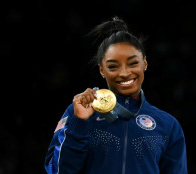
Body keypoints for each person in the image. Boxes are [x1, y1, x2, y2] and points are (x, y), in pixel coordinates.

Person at [44, 16, 188, 174]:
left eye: (133, 63)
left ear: (145, 63)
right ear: (101, 70)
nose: (125, 73)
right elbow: (56, 171)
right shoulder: (78, 113)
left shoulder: (167, 125)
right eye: (113, 66)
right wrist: (79, 124)